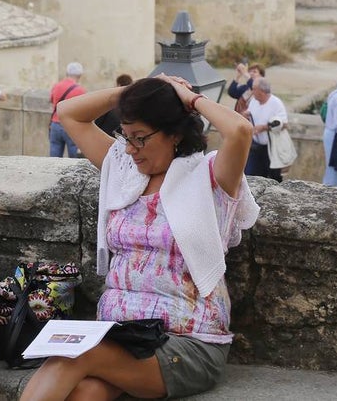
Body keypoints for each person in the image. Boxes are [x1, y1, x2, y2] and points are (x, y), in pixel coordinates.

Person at [20, 75, 257, 401]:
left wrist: (186, 98)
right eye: (126, 137)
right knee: (86, 393)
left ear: (173, 133)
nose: (130, 149)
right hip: (121, 334)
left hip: (187, 341)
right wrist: (138, 92)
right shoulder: (123, 169)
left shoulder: (209, 178)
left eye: (141, 138)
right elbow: (69, 112)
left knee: (71, 356)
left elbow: (240, 131)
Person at [244, 77, 287, 182]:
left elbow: (284, 124)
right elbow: (250, 113)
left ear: (261, 91)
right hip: (255, 146)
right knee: (252, 176)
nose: (252, 91)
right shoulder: (254, 101)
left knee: (273, 178)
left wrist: (264, 127)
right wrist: (246, 115)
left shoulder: (276, 103)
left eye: (254, 89)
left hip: (271, 148)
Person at [49, 62, 86, 158]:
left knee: (54, 156)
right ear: (80, 75)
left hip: (55, 124)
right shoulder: (80, 90)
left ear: (67, 73)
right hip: (71, 126)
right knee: (74, 158)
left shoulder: (56, 86)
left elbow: (52, 100)